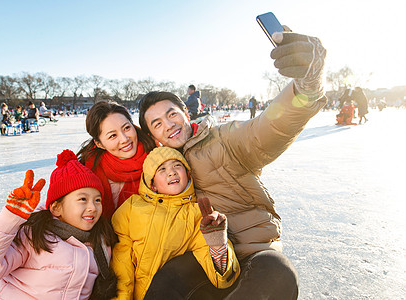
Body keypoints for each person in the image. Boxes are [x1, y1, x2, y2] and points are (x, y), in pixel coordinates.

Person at [138, 29, 327, 299]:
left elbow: (270, 128)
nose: (168, 125)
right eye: (157, 123)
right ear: (152, 135)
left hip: (251, 251)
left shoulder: (225, 139)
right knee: (167, 280)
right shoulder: (157, 168)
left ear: (186, 113)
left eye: (171, 115)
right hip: (203, 257)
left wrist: (308, 84)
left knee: (279, 274)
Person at [0, 149, 118, 299]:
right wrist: (8, 219)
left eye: (97, 200)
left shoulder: (100, 242)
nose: (92, 207)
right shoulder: (33, 236)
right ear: (56, 207)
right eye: (83, 199)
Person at [111, 147, 240, 299]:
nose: (171, 172)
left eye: (177, 165)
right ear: (152, 184)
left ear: (188, 173)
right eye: (162, 169)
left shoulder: (197, 213)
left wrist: (218, 244)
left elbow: (221, 279)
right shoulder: (132, 207)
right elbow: (121, 262)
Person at [77, 101, 156, 220]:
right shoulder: (86, 171)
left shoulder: (158, 159)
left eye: (127, 128)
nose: (124, 139)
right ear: (99, 144)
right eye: (113, 135)